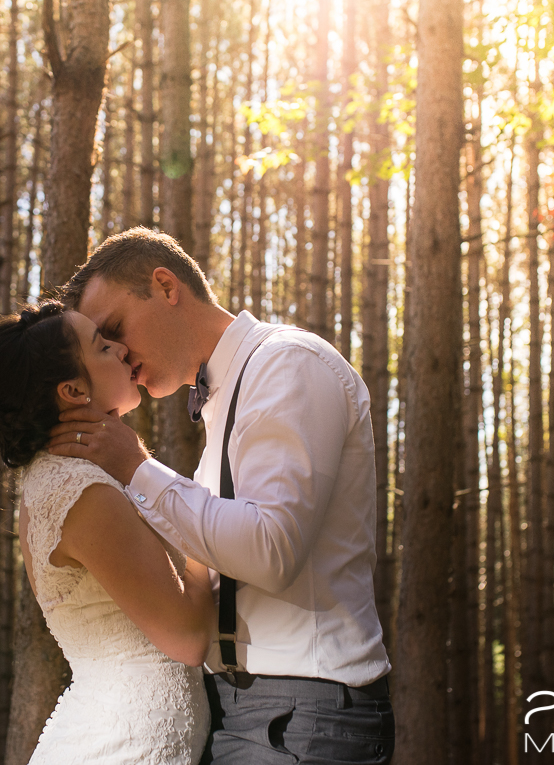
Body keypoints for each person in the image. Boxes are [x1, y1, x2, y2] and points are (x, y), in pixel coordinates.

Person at [47, 227, 394, 765]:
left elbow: (270, 552)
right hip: (243, 710)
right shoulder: (225, 394)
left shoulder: (289, 364)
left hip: (304, 713)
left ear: (165, 286)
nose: (116, 352)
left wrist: (136, 468)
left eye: (114, 329)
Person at [0, 300, 215, 765]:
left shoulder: (67, 477)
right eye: (102, 345)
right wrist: (208, 513)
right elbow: (188, 639)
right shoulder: (81, 492)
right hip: (126, 746)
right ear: (73, 390)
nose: (121, 348)